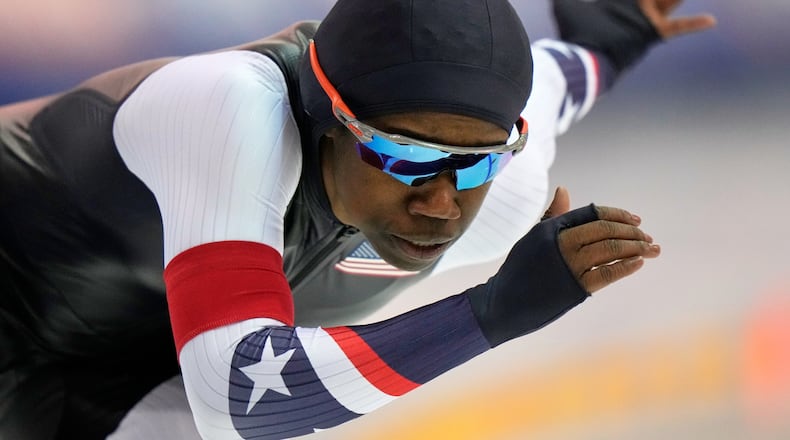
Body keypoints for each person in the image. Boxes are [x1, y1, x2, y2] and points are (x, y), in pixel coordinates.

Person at [0, 0, 714, 439]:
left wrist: (610, 39)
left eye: (473, 165)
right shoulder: (228, 110)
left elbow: (560, 79)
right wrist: (493, 313)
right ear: (326, 116)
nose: (439, 204)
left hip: (131, 357)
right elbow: (237, 393)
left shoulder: (511, 186)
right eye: (403, 156)